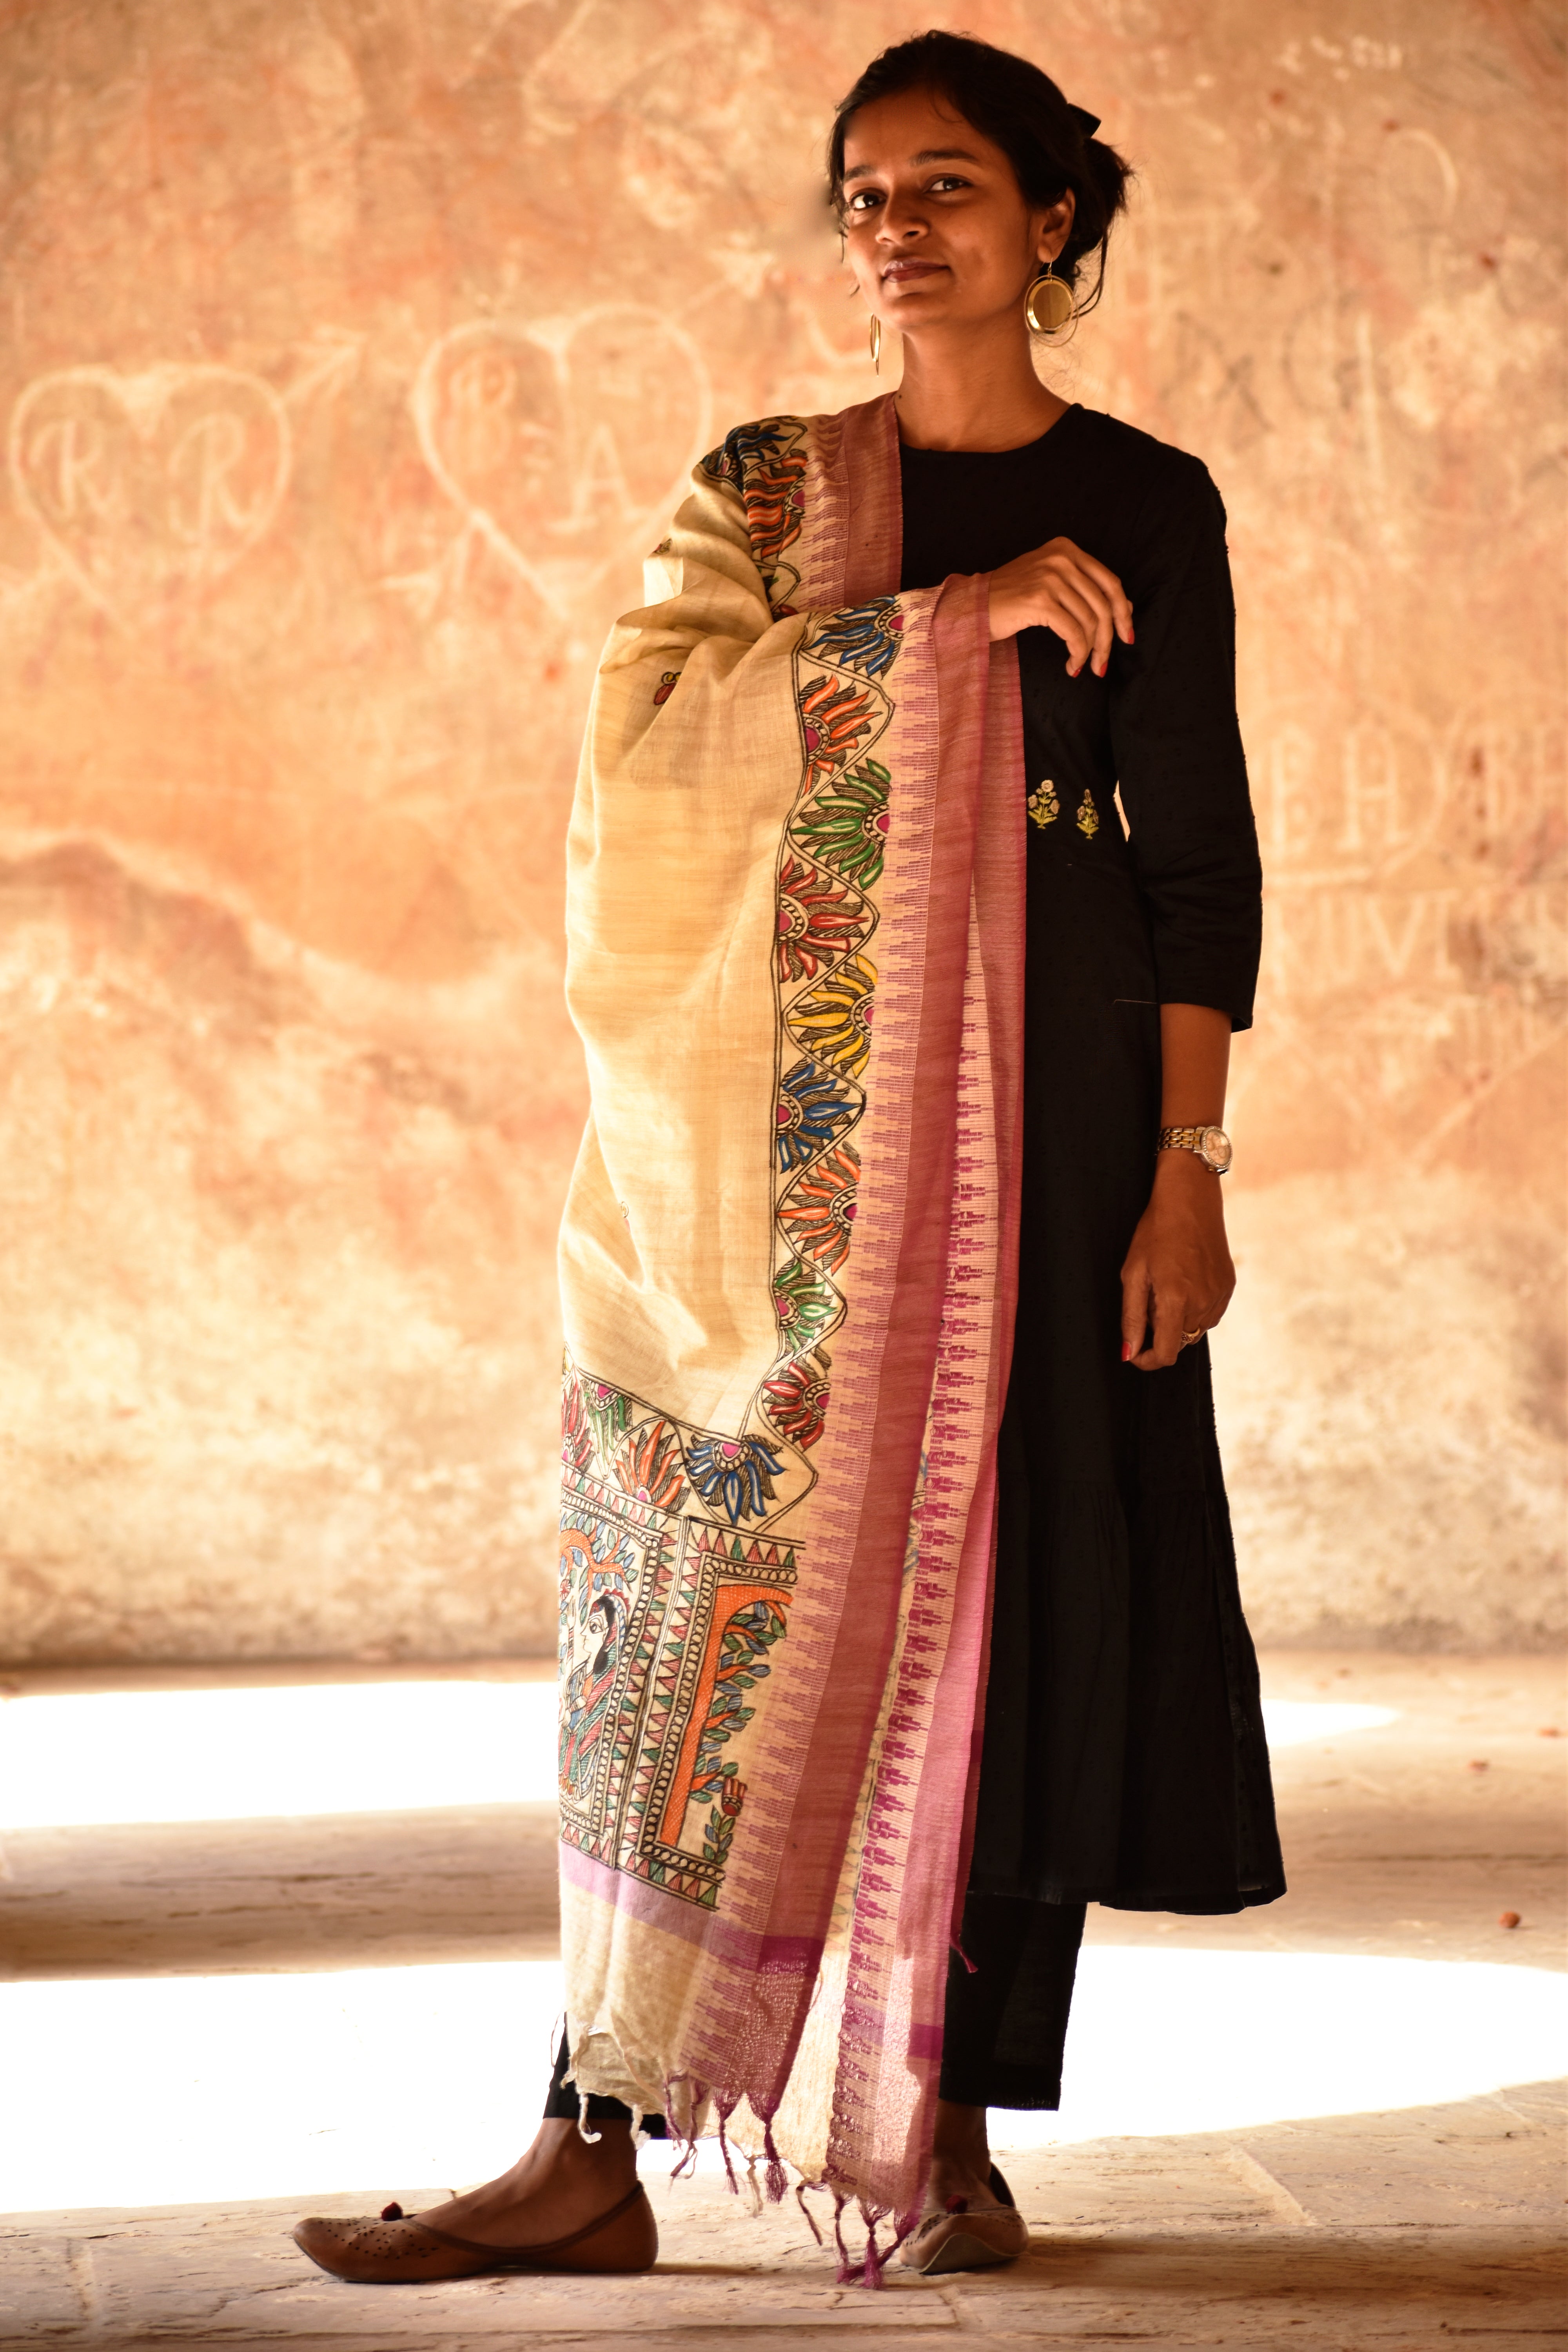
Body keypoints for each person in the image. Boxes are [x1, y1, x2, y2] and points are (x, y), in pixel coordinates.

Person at [293, 28, 1283, 2291]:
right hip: (782, 1173)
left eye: (945, 185)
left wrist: (1189, 1164)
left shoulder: (1153, 504)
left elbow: (1197, 862)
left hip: (1062, 1130)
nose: (895, 228)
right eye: (864, 195)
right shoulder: (764, 497)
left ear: (1050, 218)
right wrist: (948, 624)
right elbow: (642, 766)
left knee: (1015, 1602)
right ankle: (589, 2142)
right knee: (695, 1612)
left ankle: (944, 2135)